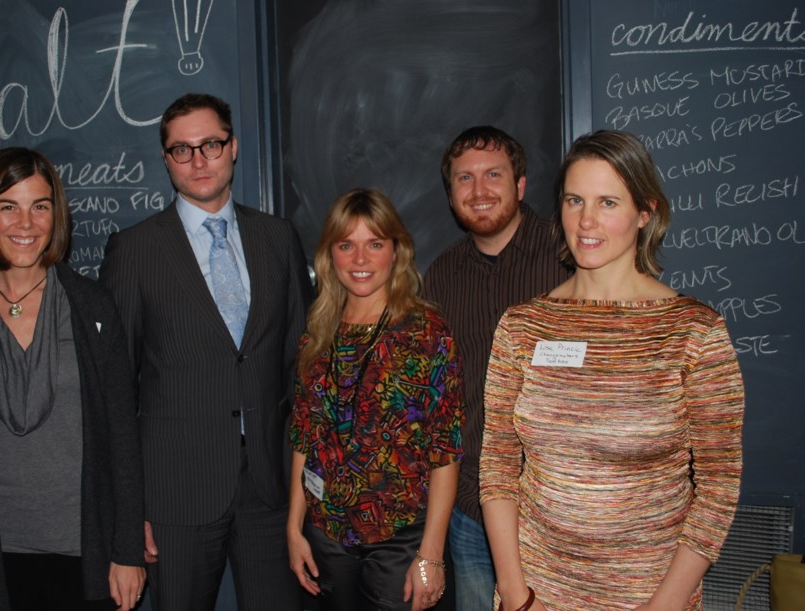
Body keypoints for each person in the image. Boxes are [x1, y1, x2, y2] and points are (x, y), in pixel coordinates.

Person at [480, 130, 745, 610]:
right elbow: (498, 470)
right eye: (574, 200)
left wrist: (664, 604)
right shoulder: (522, 327)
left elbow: (719, 488)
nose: (586, 220)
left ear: (644, 213)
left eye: (608, 202)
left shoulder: (693, 332)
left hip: (650, 595)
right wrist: (518, 596)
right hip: (538, 594)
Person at [99, 92, 311, 611]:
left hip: (269, 488)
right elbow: (114, 392)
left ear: (233, 147)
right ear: (166, 159)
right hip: (175, 494)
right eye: (182, 150)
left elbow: (300, 367)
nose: (198, 161)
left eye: (211, 145)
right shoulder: (134, 250)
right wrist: (129, 512)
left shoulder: (277, 238)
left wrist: (304, 488)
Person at [0, 147, 146, 611]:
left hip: (85, 552)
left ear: (55, 215)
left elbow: (123, 436)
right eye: (9, 207)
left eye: (39, 206)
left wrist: (127, 551)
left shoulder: (93, 309)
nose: (26, 224)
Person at [287, 188, 465, 611]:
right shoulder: (317, 335)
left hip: (401, 540)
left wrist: (432, 555)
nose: (361, 259)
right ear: (331, 255)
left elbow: (446, 451)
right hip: (326, 534)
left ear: (396, 251)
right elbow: (303, 435)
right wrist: (294, 528)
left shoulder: (426, 333)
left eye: (375, 244)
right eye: (347, 245)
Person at [423, 126, 571, 609]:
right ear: (450, 195)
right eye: (464, 179)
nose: (479, 191)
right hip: (472, 510)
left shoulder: (570, 259)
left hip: (558, 508)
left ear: (521, 185)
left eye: (493, 175)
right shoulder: (441, 276)